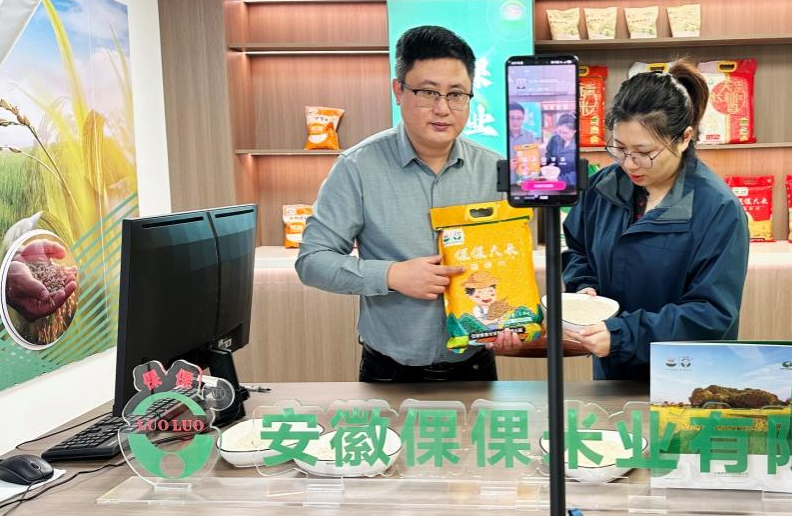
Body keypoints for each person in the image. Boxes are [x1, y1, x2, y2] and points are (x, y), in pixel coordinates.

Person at [296, 25, 520, 383]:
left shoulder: (495, 169)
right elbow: (312, 261)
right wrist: (391, 275)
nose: (443, 108)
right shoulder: (357, 167)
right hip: (388, 371)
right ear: (398, 90)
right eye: (428, 92)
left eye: (456, 94)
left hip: (474, 366)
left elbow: (506, 263)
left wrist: (508, 321)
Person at [561, 61, 749, 381]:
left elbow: (711, 314)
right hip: (612, 373)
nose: (629, 163)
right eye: (619, 148)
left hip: (685, 379)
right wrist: (584, 286)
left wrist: (623, 335)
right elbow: (578, 248)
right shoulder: (603, 187)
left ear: (684, 138)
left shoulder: (717, 209)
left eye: (644, 152)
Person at [543, 113, 578, 186]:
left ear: (574, 131)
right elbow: (548, 155)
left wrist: (561, 179)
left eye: (565, 133)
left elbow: (579, 171)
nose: (561, 135)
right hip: (552, 181)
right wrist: (549, 165)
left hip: (570, 185)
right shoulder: (554, 139)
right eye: (559, 132)